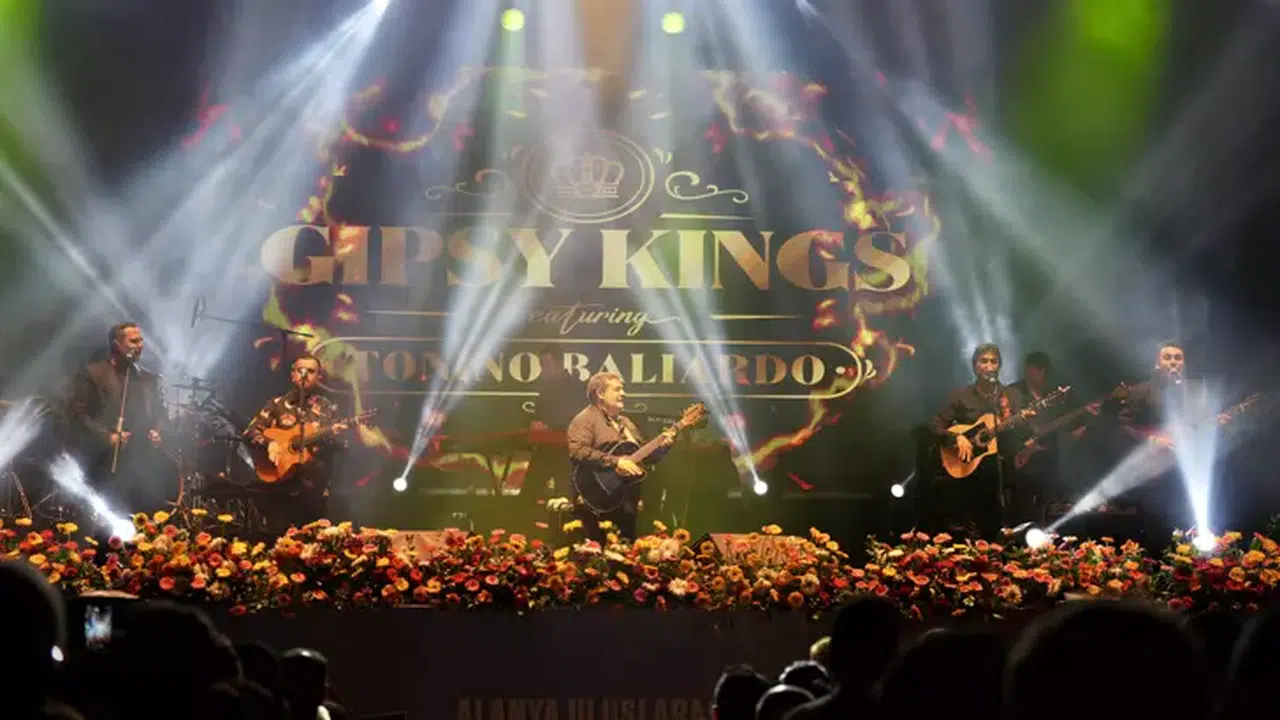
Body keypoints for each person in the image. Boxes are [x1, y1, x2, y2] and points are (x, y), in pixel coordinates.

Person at [67, 321, 170, 514]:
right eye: (134, 341)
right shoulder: (93, 373)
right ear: (116, 345)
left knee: (143, 512)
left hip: (141, 460)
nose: (140, 346)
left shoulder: (150, 379)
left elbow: (161, 414)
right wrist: (107, 436)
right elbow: (78, 414)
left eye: (141, 341)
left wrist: (158, 431)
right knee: (105, 513)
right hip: (102, 459)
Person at [243, 354, 349, 534]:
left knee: (314, 541)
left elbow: (341, 446)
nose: (304, 374)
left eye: (311, 371)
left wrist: (332, 437)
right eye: (300, 370)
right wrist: (270, 443)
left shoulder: (328, 408)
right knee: (278, 539)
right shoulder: (277, 405)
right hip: (279, 487)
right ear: (292, 375)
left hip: (313, 488)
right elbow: (249, 432)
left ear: (319, 377)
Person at [929, 343, 1025, 537]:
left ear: (999, 366)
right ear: (975, 366)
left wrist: (1021, 420)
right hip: (967, 473)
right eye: (984, 361)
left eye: (994, 361)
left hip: (1002, 471)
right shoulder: (960, 395)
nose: (989, 366)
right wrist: (957, 437)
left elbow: (1021, 434)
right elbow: (934, 426)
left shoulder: (1011, 395)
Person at [565, 371, 672, 541]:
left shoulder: (626, 423)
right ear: (600, 394)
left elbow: (642, 458)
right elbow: (578, 451)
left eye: (622, 389)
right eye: (617, 389)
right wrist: (616, 462)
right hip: (596, 501)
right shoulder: (584, 420)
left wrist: (663, 447)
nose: (623, 393)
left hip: (626, 502)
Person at [523, 347, 582, 497]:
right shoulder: (545, 390)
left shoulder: (578, 388)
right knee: (528, 493)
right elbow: (537, 416)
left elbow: (579, 422)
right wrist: (535, 423)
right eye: (542, 366)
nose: (543, 371)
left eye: (546, 365)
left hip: (569, 453)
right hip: (547, 448)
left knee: (563, 494)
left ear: (560, 364)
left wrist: (550, 426)